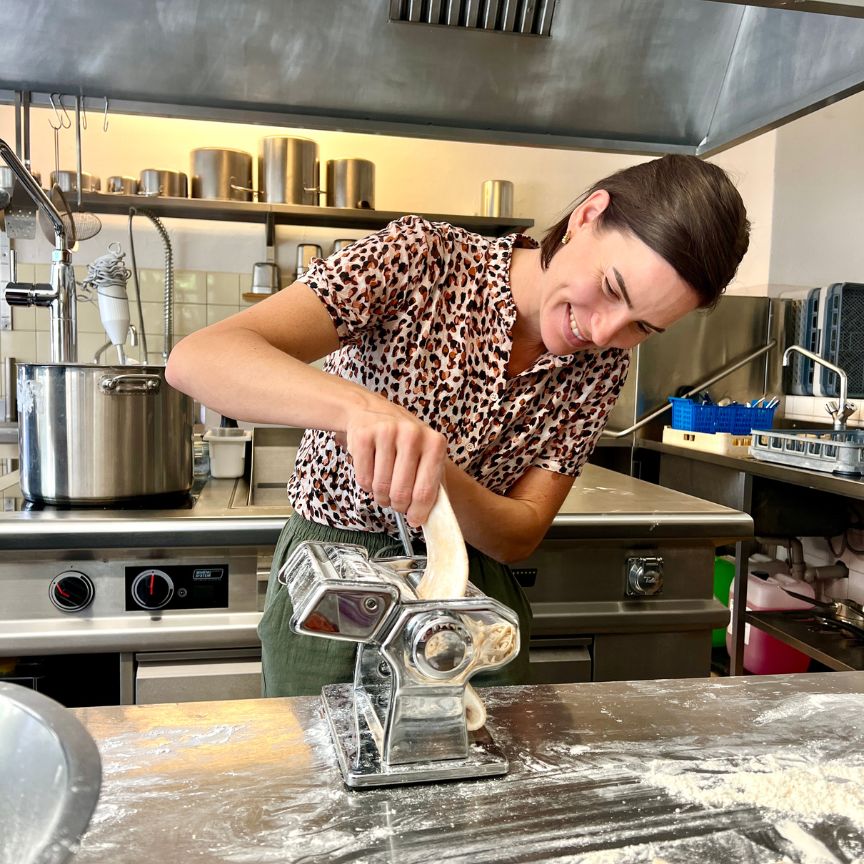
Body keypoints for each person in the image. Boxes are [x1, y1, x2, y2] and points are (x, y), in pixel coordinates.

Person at [165, 154, 750, 697]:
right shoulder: (421, 258)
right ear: (587, 216)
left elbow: (519, 533)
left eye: (642, 326)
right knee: (324, 765)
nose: (602, 333)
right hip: (337, 576)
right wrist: (361, 411)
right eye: (611, 288)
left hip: (473, 589)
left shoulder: (602, 365)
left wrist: (434, 472)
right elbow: (198, 359)